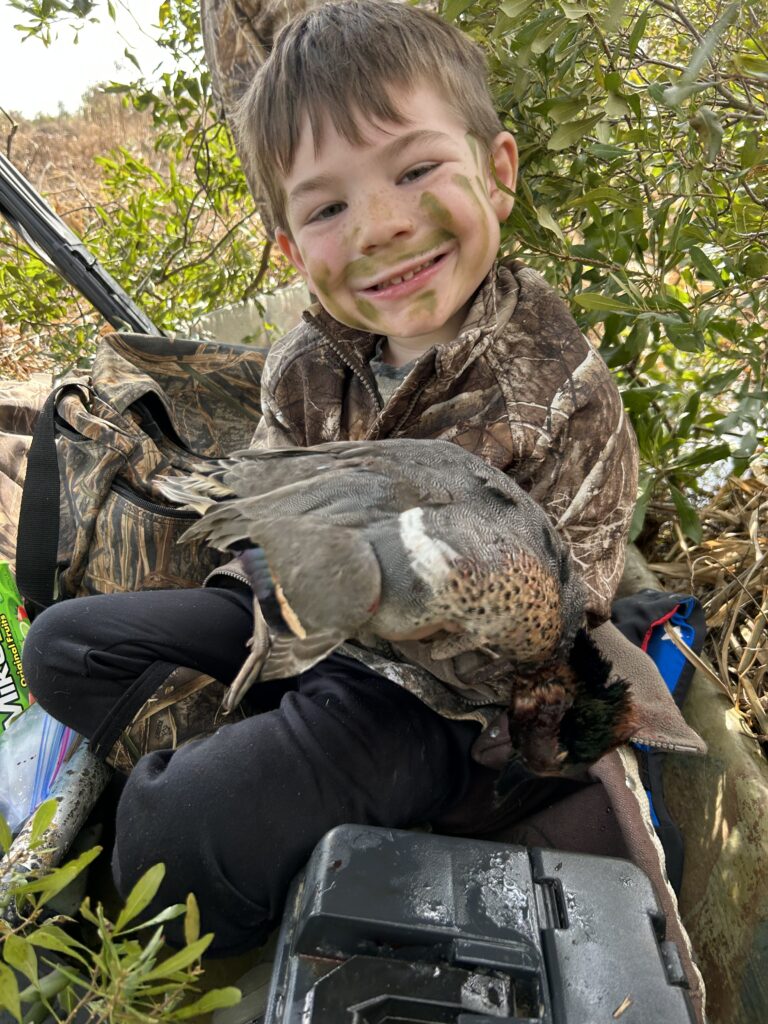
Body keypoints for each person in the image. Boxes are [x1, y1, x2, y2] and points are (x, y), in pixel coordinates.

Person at [22, 5, 705, 1012]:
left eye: (416, 170)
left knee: (176, 835)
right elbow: (271, 504)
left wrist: (389, 629)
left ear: (499, 171)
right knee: (63, 649)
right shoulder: (305, 360)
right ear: (292, 247)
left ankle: (271, 794)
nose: (381, 223)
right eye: (328, 207)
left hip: (433, 700)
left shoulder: (554, 383)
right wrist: (269, 600)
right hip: (302, 620)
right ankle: (266, 756)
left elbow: (561, 617)